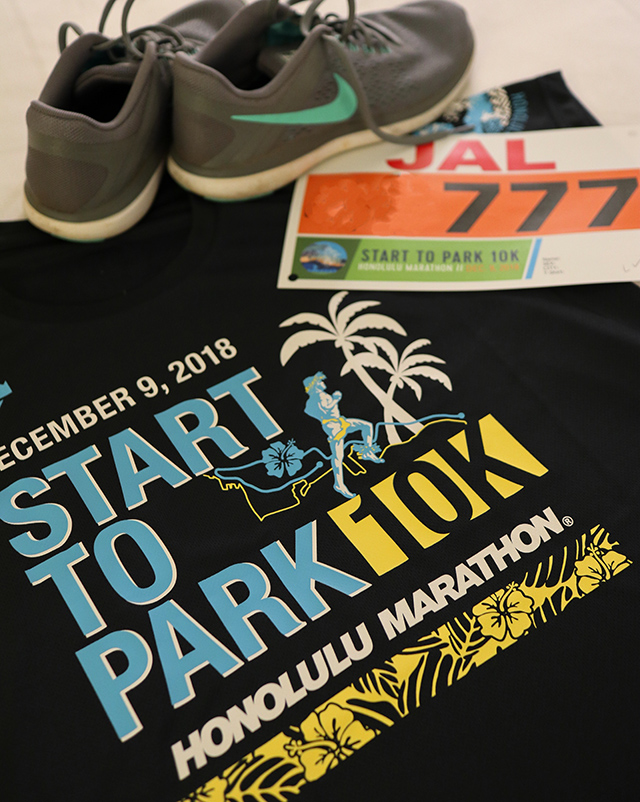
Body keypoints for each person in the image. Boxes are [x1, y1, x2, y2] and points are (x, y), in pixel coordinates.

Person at [303, 371, 384, 498]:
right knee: (338, 455)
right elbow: (325, 410)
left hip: (340, 421)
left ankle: (367, 452)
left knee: (366, 426)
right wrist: (336, 399)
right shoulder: (319, 396)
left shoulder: (315, 399)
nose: (323, 382)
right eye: (320, 381)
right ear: (315, 385)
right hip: (334, 426)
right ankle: (339, 484)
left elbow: (309, 411)